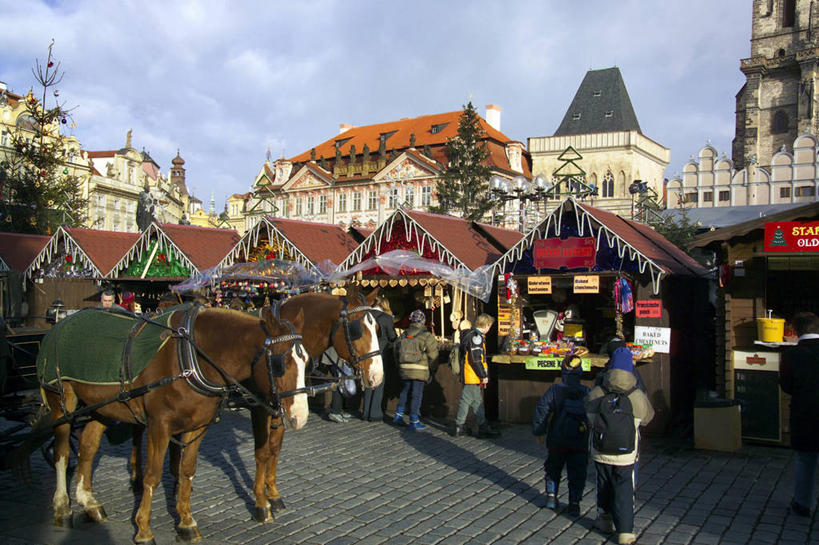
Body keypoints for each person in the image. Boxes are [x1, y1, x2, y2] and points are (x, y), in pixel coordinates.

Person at [585, 347, 654, 545]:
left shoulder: (598, 392)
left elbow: (589, 417)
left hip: (600, 450)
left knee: (603, 484)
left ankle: (604, 521)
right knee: (624, 488)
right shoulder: (636, 395)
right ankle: (625, 532)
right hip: (627, 454)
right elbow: (647, 418)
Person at [532, 353, 590, 516]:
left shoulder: (555, 390)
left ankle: (551, 497)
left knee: (553, 467)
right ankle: (574, 503)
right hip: (579, 439)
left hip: (557, 437)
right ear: (580, 372)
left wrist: (539, 430)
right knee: (578, 471)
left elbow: (542, 409)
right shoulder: (586, 391)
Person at [779, 311, 819, 518]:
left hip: (805, 412)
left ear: (794, 331)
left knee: (806, 459)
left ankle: (803, 504)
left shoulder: (791, 355)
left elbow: (786, 385)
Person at [452, 313, 499, 438]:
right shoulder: (476, 338)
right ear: (485, 325)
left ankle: (481, 425)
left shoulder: (469, 335)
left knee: (477, 401)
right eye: (489, 325)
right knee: (467, 400)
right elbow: (476, 359)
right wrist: (483, 375)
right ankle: (460, 426)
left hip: (469, 373)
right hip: (472, 375)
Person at [392, 309, 438, 431]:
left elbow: (396, 350)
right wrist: (432, 370)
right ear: (423, 321)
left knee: (405, 391)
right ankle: (414, 420)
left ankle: (398, 415)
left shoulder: (404, 334)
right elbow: (433, 355)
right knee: (416, 394)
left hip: (404, 369)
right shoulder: (426, 335)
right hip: (420, 369)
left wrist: (399, 366)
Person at [361, 295, 397, 422]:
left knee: (368, 381)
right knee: (378, 382)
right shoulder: (387, 318)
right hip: (380, 352)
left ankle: (365, 411)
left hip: (366, 352)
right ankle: (375, 413)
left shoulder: (366, 315)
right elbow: (393, 337)